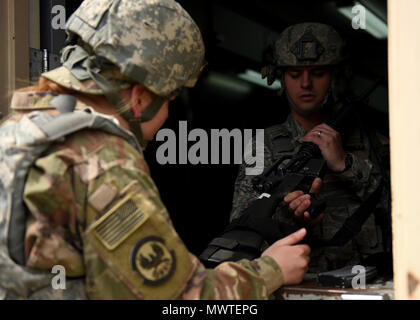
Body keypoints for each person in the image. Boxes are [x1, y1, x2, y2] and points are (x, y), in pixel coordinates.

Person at [0, 0, 310, 300]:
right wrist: (271, 270)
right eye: (171, 99)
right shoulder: (103, 163)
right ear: (139, 98)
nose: (167, 116)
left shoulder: (17, 131)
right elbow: (178, 297)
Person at [230, 23, 391, 273]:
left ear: (335, 77)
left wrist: (346, 165)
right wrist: (293, 218)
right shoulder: (262, 146)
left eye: (317, 73)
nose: (306, 83)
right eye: (295, 74)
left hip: (369, 285)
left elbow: (403, 214)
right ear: (281, 77)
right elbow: (243, 228)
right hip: (295, 287)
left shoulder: (371, 139)